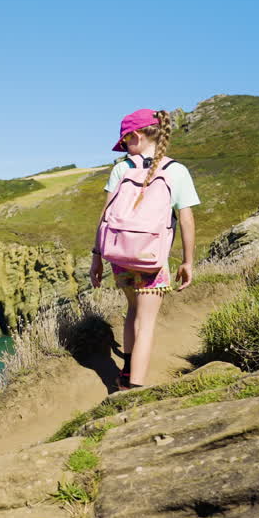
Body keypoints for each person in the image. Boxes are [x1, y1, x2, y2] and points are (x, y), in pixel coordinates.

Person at [89, 109, 199, 390]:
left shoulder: (121, 169)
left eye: (124, 142)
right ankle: (134, 387)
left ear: (135, 136)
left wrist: (96, 257)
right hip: (152, 258)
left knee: (132, 311)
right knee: (146, 322)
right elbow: (185, 218)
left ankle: (126, 373)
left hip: (119, 254)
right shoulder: (176, 171)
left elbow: (105, 216)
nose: (123, 147)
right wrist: (188, 261)